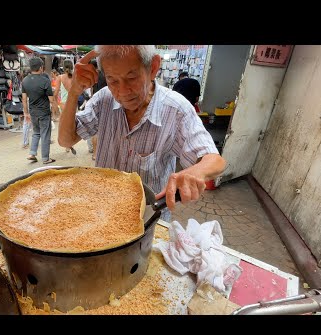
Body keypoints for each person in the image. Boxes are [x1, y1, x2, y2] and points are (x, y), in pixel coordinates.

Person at [58, 45, 226, 221]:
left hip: (147, 218)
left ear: (153, 68)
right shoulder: (103, 100)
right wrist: (74, 92)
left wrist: (197, 172)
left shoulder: (176, 110)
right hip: (102, 214)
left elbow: (215, 160)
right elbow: (65, 140)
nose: (122, 92)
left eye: (131, 78)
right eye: (112, 80)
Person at [21, 57, 59, 164]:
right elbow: (51, 100)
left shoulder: (25, 80)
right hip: (44, 112)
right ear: (41, 67)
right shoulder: (45, 81)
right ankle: (45, 158)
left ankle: (32, 153)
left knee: (36, 133)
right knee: (45, 134)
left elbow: (24, 99)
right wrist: (56, 112)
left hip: (33, 112)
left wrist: (26, 113)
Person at [54, 59, 74, 153]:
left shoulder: (60, 77)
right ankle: (70, 143)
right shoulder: (75, 77)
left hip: (63, 104)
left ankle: (67, 144)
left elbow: (56, 92)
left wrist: (54, 102)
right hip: (73, 103)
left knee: (64, 125)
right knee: (71, 124)